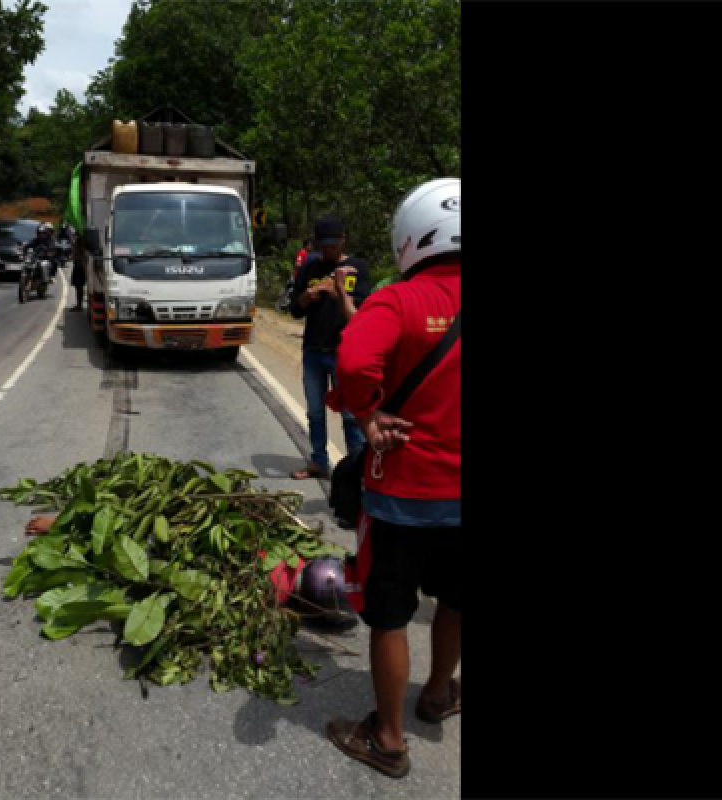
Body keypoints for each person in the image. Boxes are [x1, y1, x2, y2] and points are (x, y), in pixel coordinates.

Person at [322, 179, 461, 779]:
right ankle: (437, 695)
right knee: (454, 599)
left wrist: (367, 412)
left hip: (404, 493)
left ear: (412, 236)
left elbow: (353, 361)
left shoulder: (399, 300)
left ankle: (387, 738)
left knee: (391, 615)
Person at [287, 214, 370, 480]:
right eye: (323, 246)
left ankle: (356, 469)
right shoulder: (310, 268)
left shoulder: (357, 269)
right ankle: (318, 461)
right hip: (313, 350)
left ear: (343, 241)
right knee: (314, 411)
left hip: (343, 352)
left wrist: (340, 293)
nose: (328, 251)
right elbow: (294, 311)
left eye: (333, 246)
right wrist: (304, 299)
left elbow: (366, 312)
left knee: (349, 415)